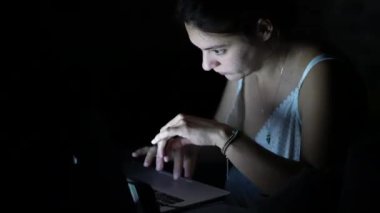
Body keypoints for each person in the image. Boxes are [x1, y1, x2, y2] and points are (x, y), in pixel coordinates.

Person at [132, 0, 368, 210]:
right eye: (201, 51)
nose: (206, 65)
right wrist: (186, 147)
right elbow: (223, 148)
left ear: (263, 29)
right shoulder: (246, 66)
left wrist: (222, 135)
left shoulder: (321, 74)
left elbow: (312, 193)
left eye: (218, 50)